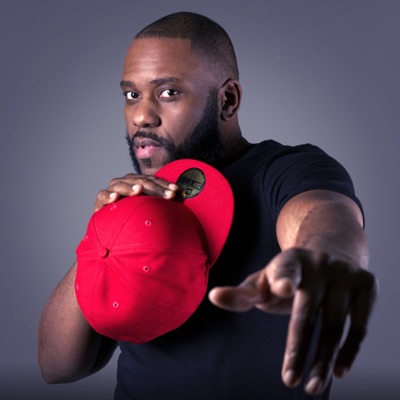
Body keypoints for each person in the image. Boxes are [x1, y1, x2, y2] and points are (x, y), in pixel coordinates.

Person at [38, 11, 377, 399]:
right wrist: (101, 236)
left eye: (168, 92)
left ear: (227, 100)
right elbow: (56, 366)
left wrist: (326, 259)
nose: (141, 116)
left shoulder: (286, 169)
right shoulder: (136, 202)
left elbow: (323, 216)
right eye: (132, 95)